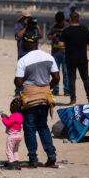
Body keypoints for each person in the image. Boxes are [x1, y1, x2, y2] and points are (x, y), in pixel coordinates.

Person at [14, 32, 60, 168]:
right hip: (44, 99)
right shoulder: (48, 57)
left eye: (23, 42)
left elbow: (18, 82)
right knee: (43, 126)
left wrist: (27, 86)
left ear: (28, 43)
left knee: (29, 128)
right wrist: (46, 89)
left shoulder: (23, 60)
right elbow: (57, 78)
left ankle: (33, 159)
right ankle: (51, 155)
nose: (22, 45)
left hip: (30, 99)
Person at [60, 11, 89, 105]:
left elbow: (61, 43)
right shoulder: (84, 29)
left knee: (71, 79)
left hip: (70, 58)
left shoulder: (66, 30)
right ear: (79, 19)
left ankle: (73, 100)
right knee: (85, 78)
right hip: (82, 58)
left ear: (70, 20)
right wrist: (84, 42)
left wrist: (68, 43)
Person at [14, 10, 41, 95]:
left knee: (32, 73)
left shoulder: (33, 27)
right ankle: (18, 90)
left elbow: (41, 36)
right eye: (26, 18)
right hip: (22, 53)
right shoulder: (18, 26)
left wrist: (37, 26)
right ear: (22, 18)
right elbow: (18, 36)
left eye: (29, 18)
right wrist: (25, 27)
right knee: (20, 73)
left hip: (33, 54)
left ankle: (30, 89)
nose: (28, 19)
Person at [47, 11, 68, 96]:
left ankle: (66, 89)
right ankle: (56, 89)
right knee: (55, 72)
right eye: (58, 23)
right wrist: (53, 36)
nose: (59, 24)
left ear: (64, 20)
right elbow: (48, 37)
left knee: (66, 72)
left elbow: (72, 39)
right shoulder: (53, 26)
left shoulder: (67, 27)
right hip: (55, 53)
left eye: (61, 23)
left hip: (65, 53)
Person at [1, 98, 24, 170]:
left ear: (13, 108)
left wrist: (4, 118)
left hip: (12, 136)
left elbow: (7, 123)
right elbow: (15, 122)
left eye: (10, 107)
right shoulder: (20, 115)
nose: (10, 109)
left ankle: (11, 163)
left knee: (9, 150)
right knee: (15, 150)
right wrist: (8, 117)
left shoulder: (13, 115)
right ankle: (16, 162)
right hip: (19, 136)